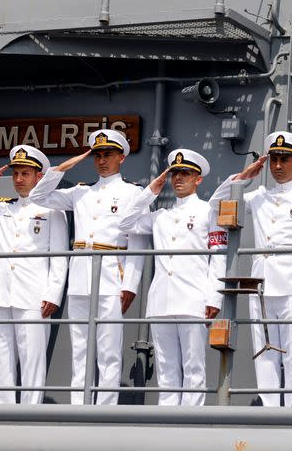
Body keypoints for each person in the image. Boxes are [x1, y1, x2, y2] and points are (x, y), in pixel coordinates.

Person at [209, 131, 292, 407]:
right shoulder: (259, 197)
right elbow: (216, 204)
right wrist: (244, 176)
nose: (278, 165)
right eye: (274, 159)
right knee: (263, 354)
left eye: (284, 159)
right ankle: (268, 410)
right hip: (261, 285)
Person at [29, 129, 145, 405]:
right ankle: (78, 407)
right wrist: (67, 165)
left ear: (121, 158)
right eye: (97, 155)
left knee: (108, 350)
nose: (102, 160)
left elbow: (139, 241)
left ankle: (105, 410)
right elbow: (38, 195)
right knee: (80, 348)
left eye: (108, 155)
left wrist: (130, 283)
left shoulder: (132, 193)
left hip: (111, 277)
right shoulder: (80, 192)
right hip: (80, 277)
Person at [0, 145, 68, 404]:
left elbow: (60, 256)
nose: (18, 179)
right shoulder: (0, 209)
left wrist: (53, 293)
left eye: (25, 173)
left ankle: (30, 414)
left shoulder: (53, 212)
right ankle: (3, 411)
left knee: (32, 359)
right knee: (1, 357)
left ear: (39, 177)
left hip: (34, 295)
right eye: (16, 173)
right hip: (0, 293)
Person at [118, 149, 226, 406]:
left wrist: (214, 298)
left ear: (198, 179)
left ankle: (191, 423)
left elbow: (218, 255)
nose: (178, 178)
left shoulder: (208, 212)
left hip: (194, 299)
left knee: (193, 368)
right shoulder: (159, 217)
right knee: (166, 369)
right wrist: (150, 192)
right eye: (174, 173)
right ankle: (167, 419)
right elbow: (124, 224)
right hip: (162, 301)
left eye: (185, 173)